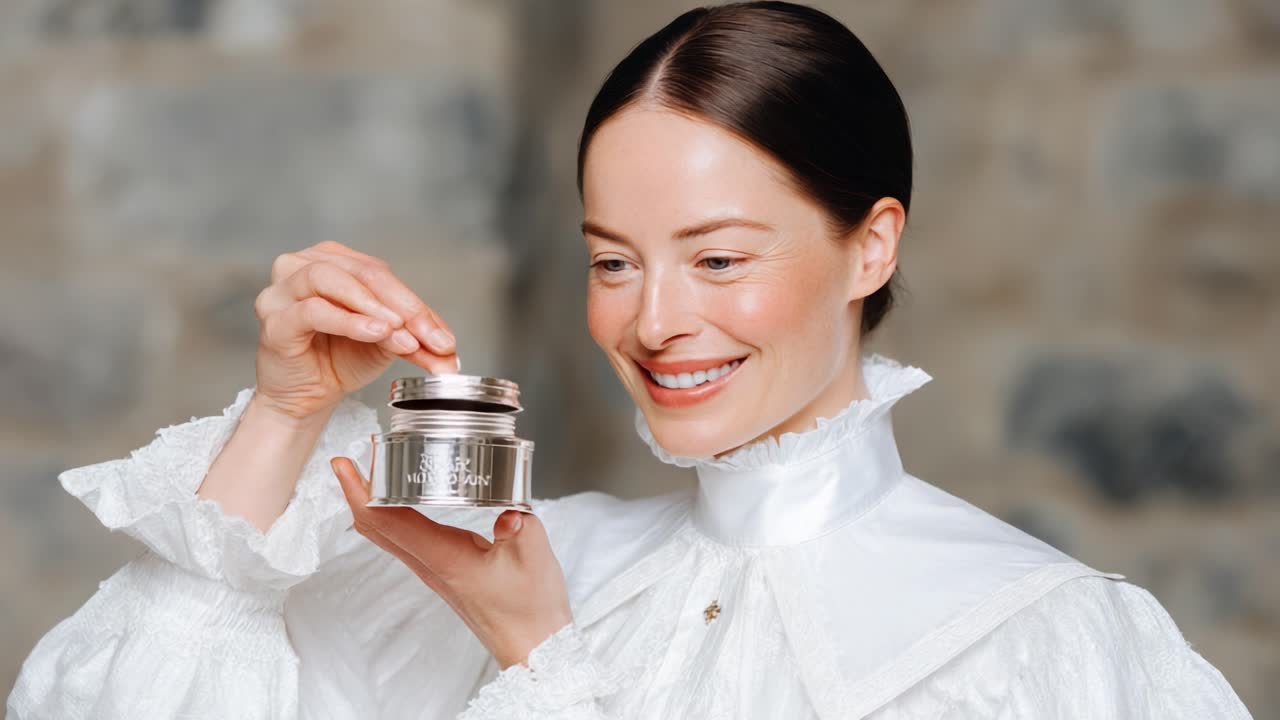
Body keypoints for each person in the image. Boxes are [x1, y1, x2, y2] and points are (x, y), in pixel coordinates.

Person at [6, 2, 1254, 718]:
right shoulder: (537, 563)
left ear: (869, 247)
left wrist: (541, 666)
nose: (654, 322)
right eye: (613, 261)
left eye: (717, 260)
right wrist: (282, 416)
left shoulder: (1049, 647)